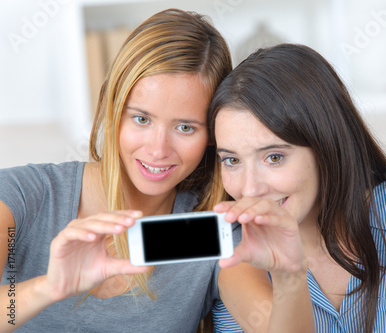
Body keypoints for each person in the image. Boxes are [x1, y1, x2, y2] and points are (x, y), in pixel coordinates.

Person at [207, 43, 386, 332]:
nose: (250, 188)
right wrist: (287, 278)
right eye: (231, 160)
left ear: (327, 146)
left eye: (274, 157)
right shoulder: (239, 262)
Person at [0, 8, 233, 332]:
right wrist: (49, 288)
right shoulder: (22, 197)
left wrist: (289, 273)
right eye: (142, 119)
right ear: (112, 108)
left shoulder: (207, 228)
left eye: (185, 127)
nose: (158, 149)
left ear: (214, 134)